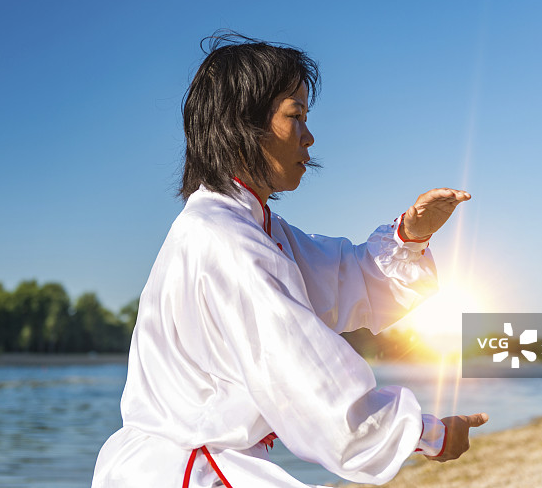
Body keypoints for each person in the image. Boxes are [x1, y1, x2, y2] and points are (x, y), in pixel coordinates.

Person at [92, 32, 488, 488]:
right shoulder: (225, 240)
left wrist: (411, 235)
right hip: (186, 471)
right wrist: (430, 434)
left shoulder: (252, 228)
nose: (309, 136)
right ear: (242, 126)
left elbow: (349, 279)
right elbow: (310, 382)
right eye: (295, 116)